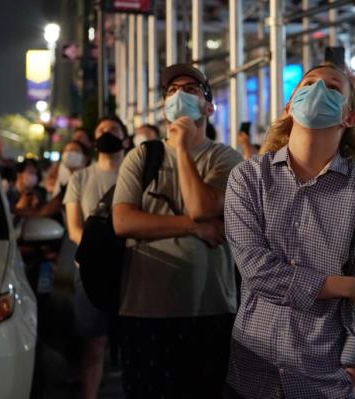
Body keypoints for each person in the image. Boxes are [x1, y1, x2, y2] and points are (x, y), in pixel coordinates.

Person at [224, 63, 355, 399]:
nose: (317, 90)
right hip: (252, 372)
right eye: (308, 83)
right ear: (290, 106)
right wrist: (345, 286)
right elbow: (256, 271)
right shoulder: (249, 178)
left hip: (325, 378)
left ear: (350, 117)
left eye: (332, 87)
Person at [112, 63, 243, 398]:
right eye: (171, 91)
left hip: (209, 309)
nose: (179, 96)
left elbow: (202, 206)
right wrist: (193, 228)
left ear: (209, 107)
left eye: (190, 89)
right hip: (145, 310)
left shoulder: (226, 159)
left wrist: (182, 149)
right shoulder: (142, 157)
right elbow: (123, 222)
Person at [63, 116, 130, 399]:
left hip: (134, 270)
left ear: (124, 139)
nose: (107, 134)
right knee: (93, 344)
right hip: (92, 271)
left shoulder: (135, 174)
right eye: (101, 130)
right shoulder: (81, 177)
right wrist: (101, 250)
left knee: (134, 344)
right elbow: (74, 229)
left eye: (113, 130)